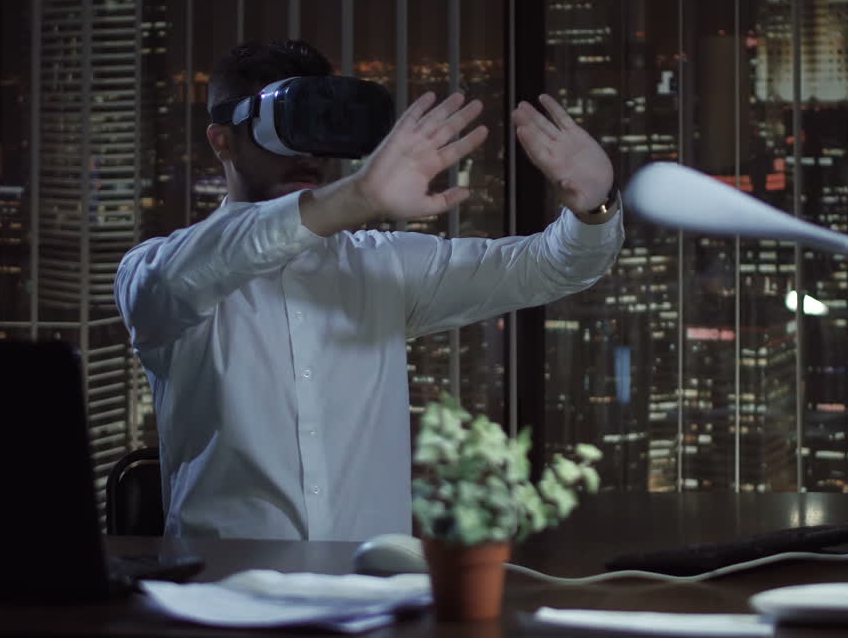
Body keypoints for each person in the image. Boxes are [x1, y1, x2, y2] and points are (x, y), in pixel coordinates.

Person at [114, 40, 623, 541]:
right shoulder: (157, 272)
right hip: (222, 602)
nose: (307, 152)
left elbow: (550, 267)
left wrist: (592, 205)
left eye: (321, 127)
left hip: (373, 601)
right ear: (222, 140)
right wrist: (359, 194)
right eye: (286, 127)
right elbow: (198, 269)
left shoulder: (383, 267)